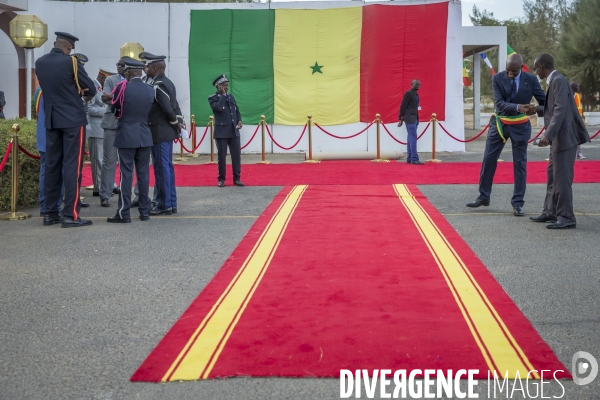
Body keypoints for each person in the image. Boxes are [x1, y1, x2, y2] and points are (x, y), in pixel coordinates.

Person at [466, 54, 546, 216]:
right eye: (508, 70)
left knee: (520, 163)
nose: (510, 74)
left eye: (514, 71)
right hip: (500, 124)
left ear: (521, 67)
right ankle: (483, 196)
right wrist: (519, 107)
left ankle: (517, 203)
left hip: (521, 126)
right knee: (489, 158)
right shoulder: (497, 78)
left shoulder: (530, 79)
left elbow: (545, 103)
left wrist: (534, 109)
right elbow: (500, 103)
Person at [35, 32, 96, 228]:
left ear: (55, 43)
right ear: (70, 47)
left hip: (52, 119)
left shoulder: (40, 62)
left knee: (52, 165)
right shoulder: (72, 62)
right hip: (72, 120)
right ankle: (71, 214)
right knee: (72, 166)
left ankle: (50, 213)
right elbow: (91, 89)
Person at [530, 54, 590, 229]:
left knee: (562, 179)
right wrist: (536, 109)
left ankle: (566, 217)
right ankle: (550, 211)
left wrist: (548, 134)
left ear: (541, 67)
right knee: (552, 177)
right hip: (558, 139)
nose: (536, 72)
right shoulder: (555, 80)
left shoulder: (557, 80)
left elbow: (560, 109)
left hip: (563, 138)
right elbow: (553, 107)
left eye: (536, 68)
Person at [107, 57, 155, 223]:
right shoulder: (150, 89)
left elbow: (115, 109)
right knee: (143, 175)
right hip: (144, 135)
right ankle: (144, 211)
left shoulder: (122, 87)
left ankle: (123, 213)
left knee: (126, 175)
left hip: (127, 135)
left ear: (128, 71)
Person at [146, 54, 183, 215]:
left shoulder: (158, 85)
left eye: (147, 67)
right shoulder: (168, 82)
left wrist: (175, 123)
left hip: (160, 132)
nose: (145, 69)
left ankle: (163, 204)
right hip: (165, 131)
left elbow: (168, 108)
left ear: (154, 68)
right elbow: (176, 106)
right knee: (167, 168)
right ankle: (171, 202)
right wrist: (178, 123)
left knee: (162, 169)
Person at [99, 59, 127, 207]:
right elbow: (106, 99)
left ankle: (126, 192)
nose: (120, 67)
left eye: (122, 65)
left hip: (127, 125)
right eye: (118, 64)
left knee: (127, 162)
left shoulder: (135, 81)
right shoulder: (110, 79)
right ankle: (105, 194)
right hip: (111, 125)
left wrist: (114, 97)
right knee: (109, 161)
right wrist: (121, 97)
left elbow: (115, 98)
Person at [208, 74, 244, 187]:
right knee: (222, 156)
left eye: (227, 85)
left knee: (236, 155)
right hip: (221, 132)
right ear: (218, 86)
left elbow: (236, 111)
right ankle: (221, 179)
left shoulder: (231, 97)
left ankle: (237, 178)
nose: (226, 87)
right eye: (224, 85)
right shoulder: (212, 98)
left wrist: (239, 120)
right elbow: (218, 108)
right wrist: (223, 96)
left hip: (234, 131)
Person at [34, 86, 63, 216]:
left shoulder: (40, 90)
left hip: (45, 136)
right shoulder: (52, 88)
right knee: (53, 172)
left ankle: (47, 205)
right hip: (51, 137)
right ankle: (51, 206)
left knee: (47, 171)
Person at [86, 69, 111, 197]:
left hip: (105, 128)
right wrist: (107, 110)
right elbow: (90, 109)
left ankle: (106, 186)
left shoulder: (101, 88)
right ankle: (98, 187)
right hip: (95, 129)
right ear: (103, 78)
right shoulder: (93, 87)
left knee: (106, 160)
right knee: (98, 160)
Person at [398, 79, 423, 165]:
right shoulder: (408, 93)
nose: (418, 85)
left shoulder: (416, 94)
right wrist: (400, 117)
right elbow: (403, 105)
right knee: (413, 138)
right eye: (416, 84)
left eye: (419, 84)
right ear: (412, 85)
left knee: (410, 138)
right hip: (410, 119)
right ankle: (414, 158)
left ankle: (409, 158)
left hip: (414, 118)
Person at [571, 82, 586, 159]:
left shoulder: (577, 95)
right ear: (573, 87)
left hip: (577, 120)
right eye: (577, 86)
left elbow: (579, 107)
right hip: (568, 120)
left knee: (577, 136)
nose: (579, 88)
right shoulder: (566, 94)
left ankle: (579, 153)